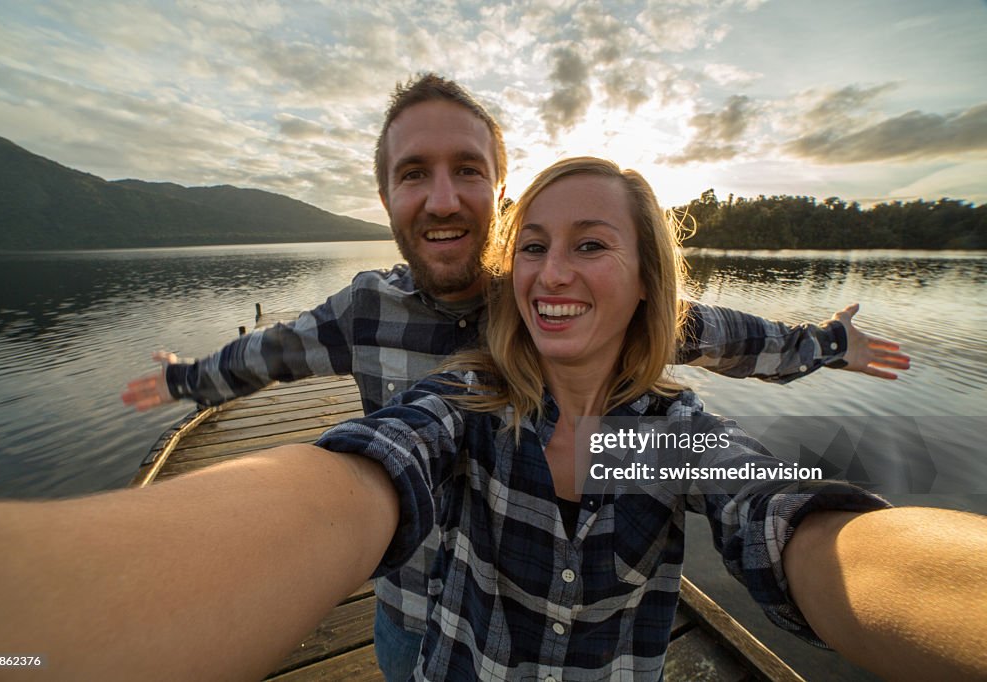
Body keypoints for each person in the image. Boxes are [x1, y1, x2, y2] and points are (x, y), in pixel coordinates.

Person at [0, 157, 982, 682]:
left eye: (590, 245)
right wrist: (194, 382)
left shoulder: (656, 435)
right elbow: (349, 475)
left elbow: (775, 505)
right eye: (532, 245)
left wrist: (826, 348)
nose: (550, 271)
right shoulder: (468, 407)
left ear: (644, 283)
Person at [121, 74, 910, 680]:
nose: (441, 197)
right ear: (386, 197)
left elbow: (712, 334)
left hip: (531, 598)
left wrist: (825, 347)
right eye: (413, 174)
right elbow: (271, 354)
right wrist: (192, 380)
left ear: (499, 192)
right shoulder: (362, 311)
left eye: (467, 170)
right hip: (404, 603)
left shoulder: (546, 294)